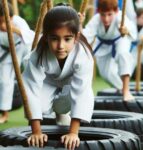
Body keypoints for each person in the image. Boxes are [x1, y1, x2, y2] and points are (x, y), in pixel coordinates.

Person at [22, 3, 94, 149]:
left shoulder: (83, 56)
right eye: (54, 38)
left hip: (70, 81)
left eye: (67, 39)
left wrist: (73, 133)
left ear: (76, 37)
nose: (60, 46)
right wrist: (36, 132)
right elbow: (30, 90)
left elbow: (82, 94)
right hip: (47, 81)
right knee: (39, 106)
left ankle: (61, 114)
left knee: (64, 106)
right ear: (46, 36)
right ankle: (57, 114)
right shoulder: (38, 55)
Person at [81, 0, 137, 101]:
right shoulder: (96, 19)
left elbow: (130, 29)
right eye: (103, 15)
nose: (106, 19)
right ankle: (121, 87)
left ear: (115, 11)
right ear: (99, 12)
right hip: (103, 44)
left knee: (123, 53)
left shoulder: (120, 16)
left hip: (120, 39)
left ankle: (126, 90)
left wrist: (126, 30)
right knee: (106, 74)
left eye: (109, 14)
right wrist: (79, 25)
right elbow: (83, 37)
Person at [0, 2, 34, 123]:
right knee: (4, 81)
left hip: (23, 48)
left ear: (11, 17)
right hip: (6, 52)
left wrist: (12, 29)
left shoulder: (18, 21)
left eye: (5, 20)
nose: (2, 24)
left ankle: (37, 112)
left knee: (32, 77)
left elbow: (30, 37)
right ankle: (4, 114)